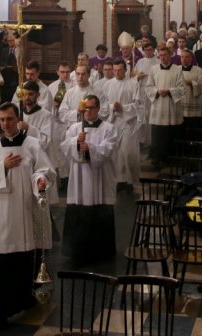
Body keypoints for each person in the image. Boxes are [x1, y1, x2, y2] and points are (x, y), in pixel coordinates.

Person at [0, 103, 56, 324]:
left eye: (10, 119)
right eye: (2, 120)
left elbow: (45, 170)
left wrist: (40, 180)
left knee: (26, 254)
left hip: (27, 207)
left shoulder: (32, 144)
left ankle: (24, 300)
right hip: (4, 210)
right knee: (2, 256)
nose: (6, 124)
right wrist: (2, 166)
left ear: (18, 119)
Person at [60, 95, 118, 265]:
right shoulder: (74, 128)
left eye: (91, 108)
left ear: (98, 109)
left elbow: (108, 149)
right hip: (78, 180)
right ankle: (77, 251)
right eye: (84, 108)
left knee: (100, 214)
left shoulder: (109, 128)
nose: (87, 111)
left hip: (100, 179)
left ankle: (100, 253)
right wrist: (76, 143)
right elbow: (65, 146)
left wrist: (89, 148)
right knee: (79, 212)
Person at [103, 60, 142, 190]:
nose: (117, 72)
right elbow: (103, 105)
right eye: (114, 70)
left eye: (119, 70)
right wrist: (112, 107)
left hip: (128, 123)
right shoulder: (108, 85)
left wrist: (123, 108)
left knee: (127, 152)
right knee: (115, 153)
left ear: (125, 70)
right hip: (113, 122)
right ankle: (118, 181)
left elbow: (139, 105)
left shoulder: (133, 84)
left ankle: (129, 181)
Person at [145, 46, 186, 167]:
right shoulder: (154, 69)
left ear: (170, 55)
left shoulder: (177, 69)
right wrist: (157, 92)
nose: (162, 58)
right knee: (157, 134)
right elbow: (148, 87)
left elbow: (182, 88)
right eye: (161, 55)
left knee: (170, 133)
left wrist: (169, 92)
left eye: (165, 55)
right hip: (158, 106)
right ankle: (156, 157)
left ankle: (170, 158)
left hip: (171, 106)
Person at [48, 62, 74, 182]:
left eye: (67, 72)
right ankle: (62, 178)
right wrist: (54, 106)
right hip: (57, 123)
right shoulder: (52, 87)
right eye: (62, 72)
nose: (65, 74)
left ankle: (71, 177)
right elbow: (47, 107)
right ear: (57, 72)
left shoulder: (75, 85)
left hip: (70, 123)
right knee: (59, 151)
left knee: (70, 150)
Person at [178, 49, 202, 127]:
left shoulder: (198, 70)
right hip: (180, 104)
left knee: (193, 128)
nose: (184, 59)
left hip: (193, 102)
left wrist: (191, 83)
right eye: (182, 57)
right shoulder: (176, 70)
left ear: (191, 58)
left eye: (187, 57)